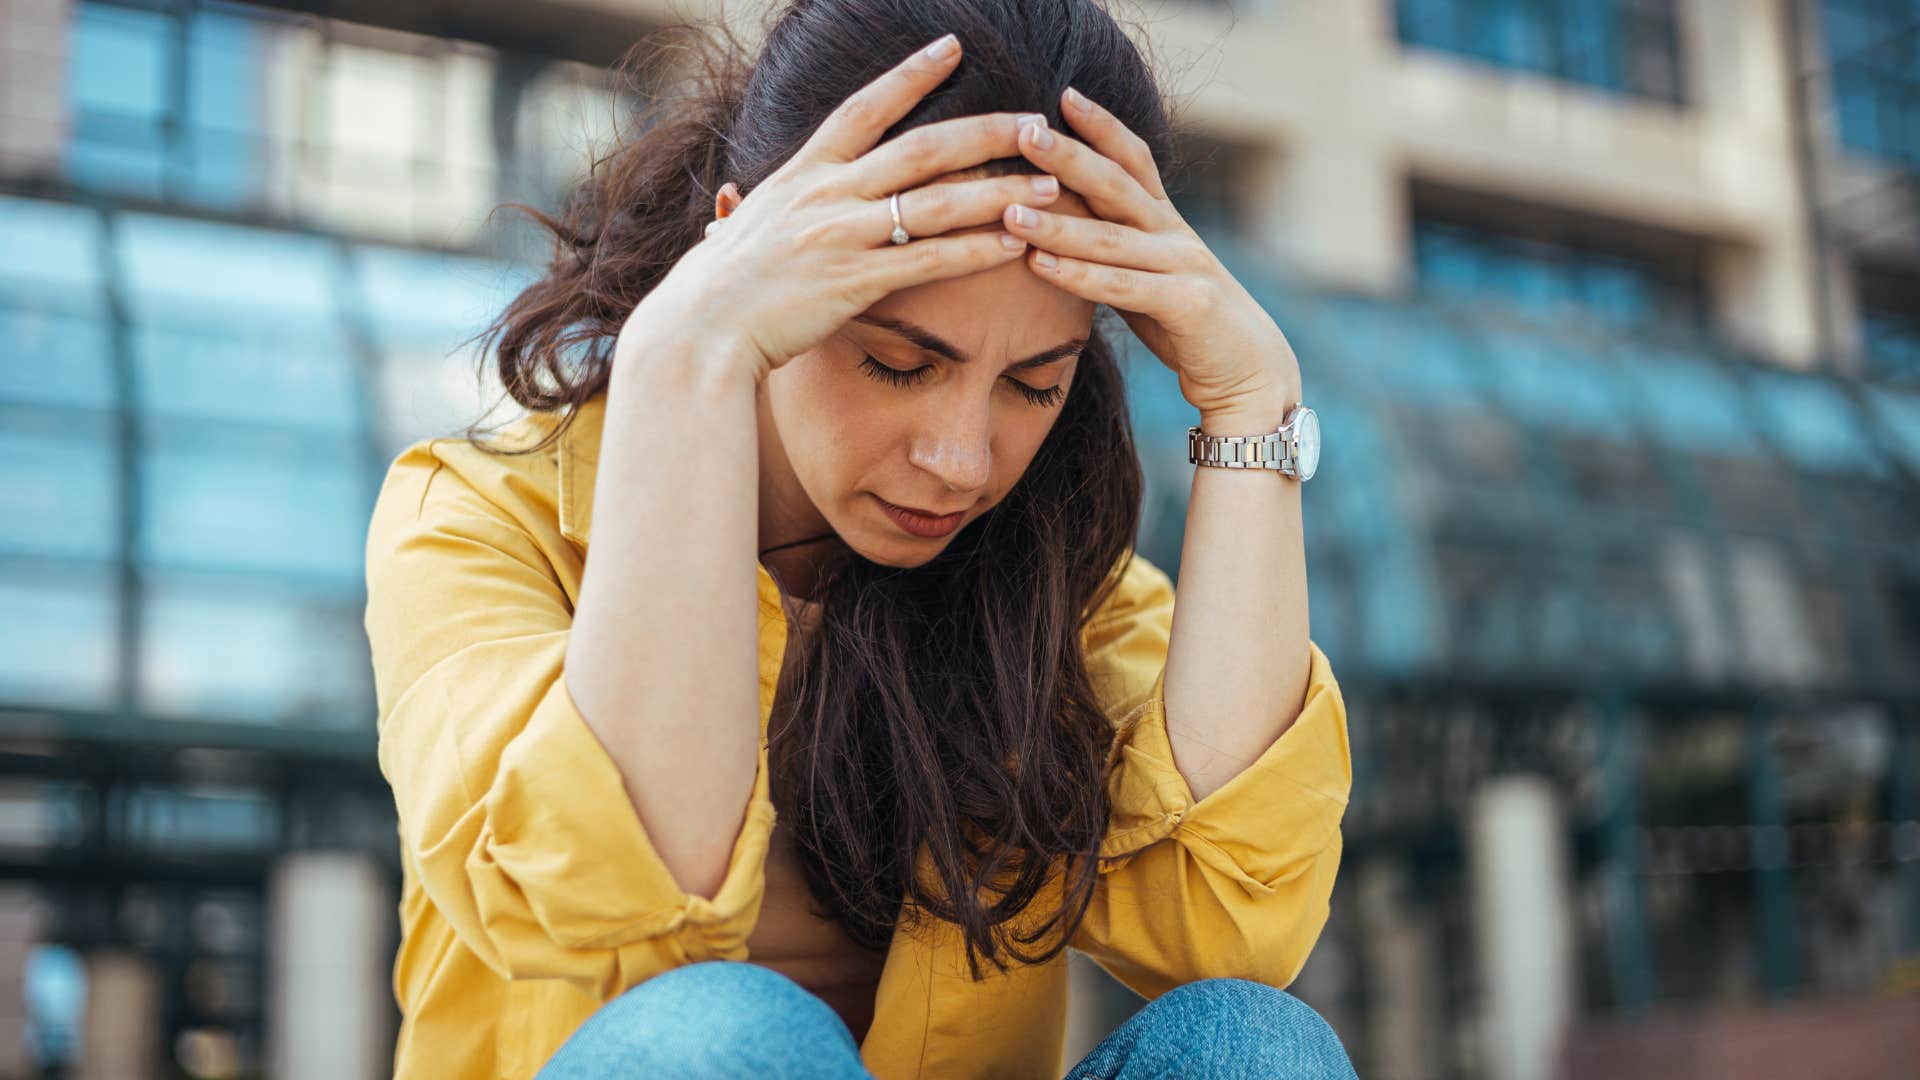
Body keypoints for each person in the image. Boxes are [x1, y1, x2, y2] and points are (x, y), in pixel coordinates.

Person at [361, 1, 1355, 1076]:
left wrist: (1252, 407)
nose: (964, 459)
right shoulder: (472, 518)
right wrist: (685, 355)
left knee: (1253, 1048)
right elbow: (628, 897)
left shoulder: (1056, 580)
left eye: (1034, 384)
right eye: (897, 362)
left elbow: (1228, 929)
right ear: (746, 259)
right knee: (727, 1036)